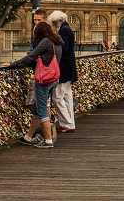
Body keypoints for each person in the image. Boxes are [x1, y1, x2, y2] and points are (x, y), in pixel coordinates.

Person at [5, 20, 63, 148]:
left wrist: (13, 64)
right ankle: (28, 137)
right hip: (54, 78)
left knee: (42, 109)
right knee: (37, 107)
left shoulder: (46, 41)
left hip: (44, 79)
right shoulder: (57, 42)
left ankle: (48, 140)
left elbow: (31, 56)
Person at [48, 10, 78, 132]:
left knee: (57, 97)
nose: (54, 26)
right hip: (69, 67)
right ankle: (70, 123)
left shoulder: (64, 30)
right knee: (67, 96)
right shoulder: (68, 29)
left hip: (64, 68)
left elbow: (63, 49)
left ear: (57, 21)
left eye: (54, 23)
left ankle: (67, 123)